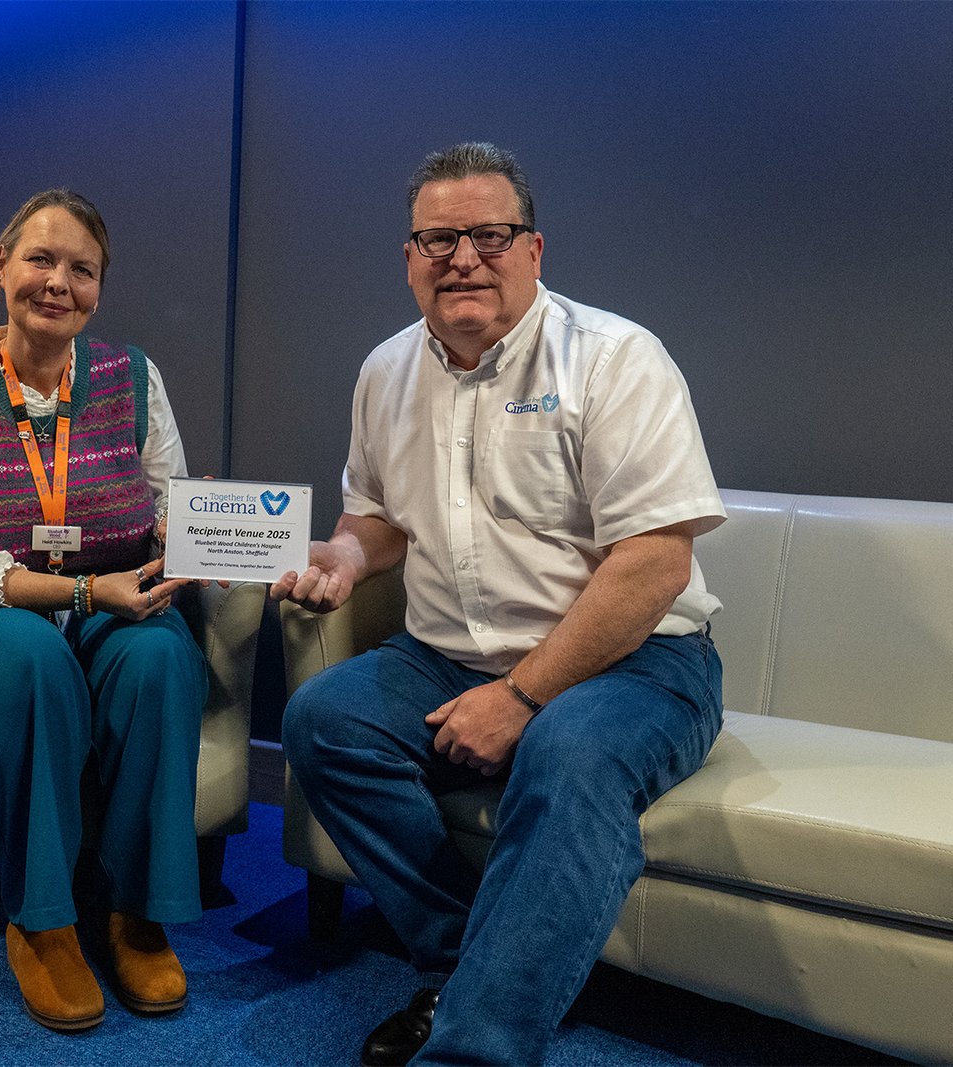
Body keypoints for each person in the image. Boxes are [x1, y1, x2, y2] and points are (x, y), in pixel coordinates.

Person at [272, 143, 726, 1065]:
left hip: (636, 662)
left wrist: (520, 696)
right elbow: (376, 516)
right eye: (438, 240)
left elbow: (654, 565)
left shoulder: (615, 358)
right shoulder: (385, 371)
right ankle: (465, 964)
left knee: (566, 751)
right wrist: (345, 556)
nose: (463, 259)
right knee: (322, 720)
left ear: (534, 249)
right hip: (445, 657)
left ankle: (473, 1045)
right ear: (409, 258)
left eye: (490, 234)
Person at [0, 189, 206, 1033]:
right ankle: (43, 921)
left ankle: (137, 912)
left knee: (159, 656)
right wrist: (78, 592)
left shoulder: (134, 379)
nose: (58, 282)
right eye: (40, 259)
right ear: (1, 268)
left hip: (112, 596)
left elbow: (169, 502)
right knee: (28, 658)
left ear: (99, 289)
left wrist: (199, 535)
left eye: (82, 268)